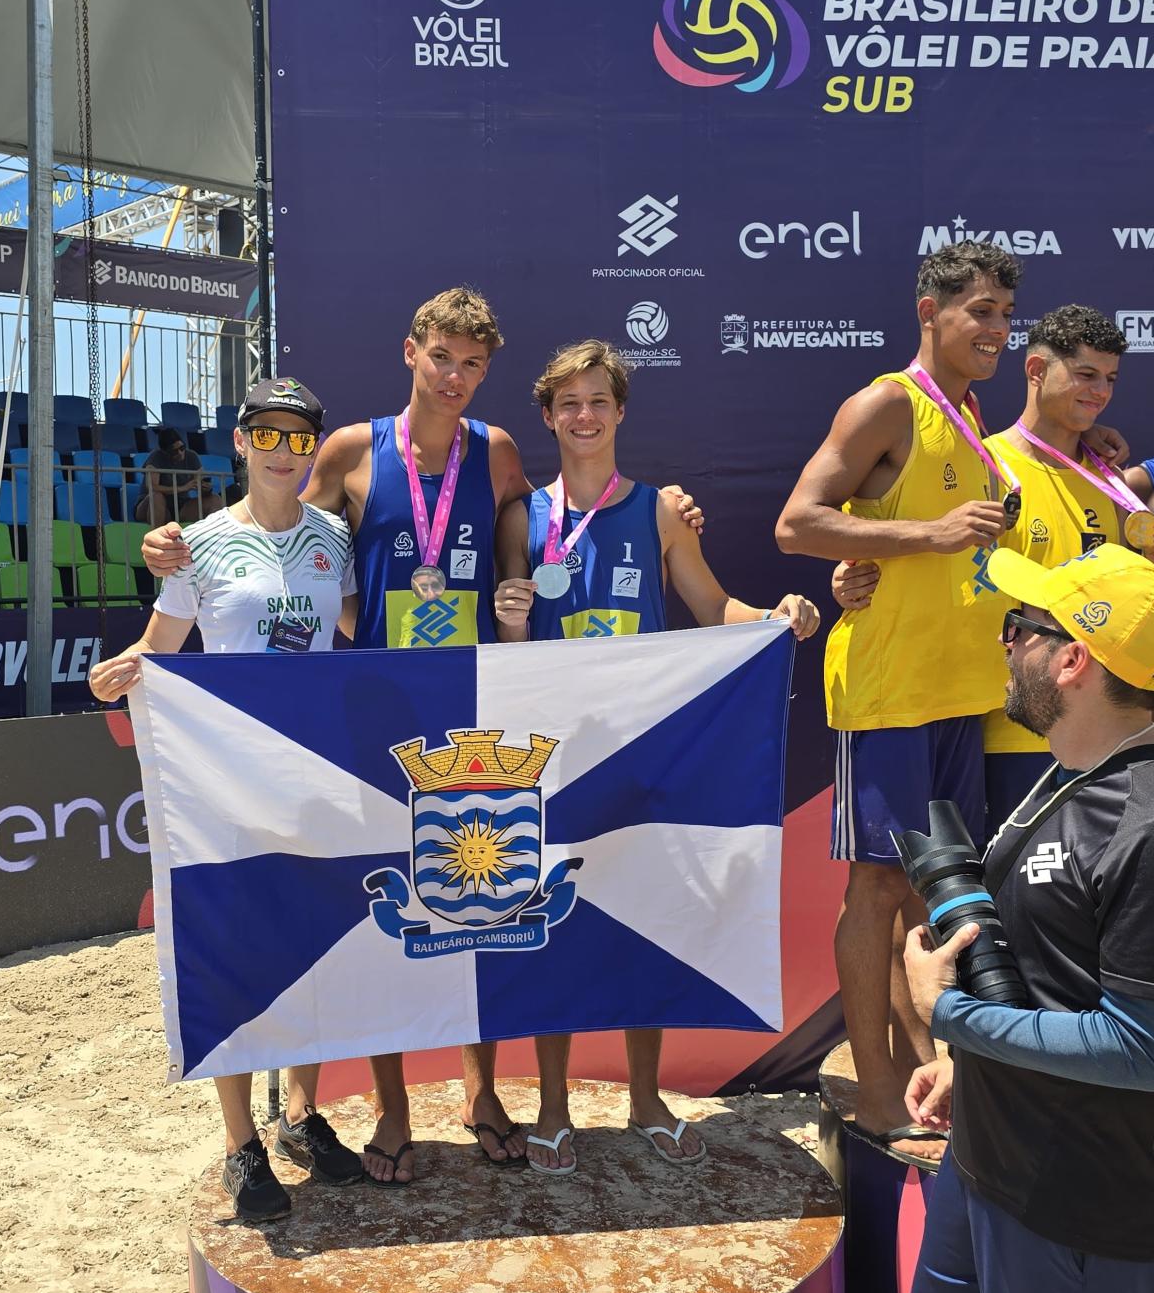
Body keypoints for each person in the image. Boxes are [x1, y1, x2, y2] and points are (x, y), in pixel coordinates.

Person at [139, 290, 704, 1185]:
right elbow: (284, 541)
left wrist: (673, 509)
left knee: (483, 902)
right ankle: (392, 1109)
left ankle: (482, 1094)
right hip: (379, 714)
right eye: (441, 356)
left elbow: (555, 525)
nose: (454, 376)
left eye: (472, 364)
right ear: (411, 352)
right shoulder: (349, 449)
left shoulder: (499, 451)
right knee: (390, 912)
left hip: (477, 708)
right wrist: (178, 549)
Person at [493, 340, 819, 1174]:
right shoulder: (522, 517)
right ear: (548, 416)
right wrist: (514, 616)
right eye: (570, 403)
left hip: (645, 753)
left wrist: (773, 617)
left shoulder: (660, 512)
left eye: (599, 401)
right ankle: (554, 1104)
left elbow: (712, 606)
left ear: (621, 412)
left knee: (644, 923)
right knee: (553, 928)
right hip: (555, 758)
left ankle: (645, 1098)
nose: (585, 416)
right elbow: (511, 647)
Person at [89, 378, 363, 1223]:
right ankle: (242, 1143)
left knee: (316, 950)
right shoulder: (197, 545)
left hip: (316, 775)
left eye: (298, 437)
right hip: (232, 785)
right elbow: (161, 644)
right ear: (240, 442)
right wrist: (122, 670)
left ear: (313, 449)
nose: (283, 451)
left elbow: (361, 633)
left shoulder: (334, 537)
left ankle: (302, 1115)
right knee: (239, 957)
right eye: (266, 435)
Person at [774, 241, 1023, 1160]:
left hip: (961, 685)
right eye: (980, 312)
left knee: (937, 887)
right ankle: (875, 1087)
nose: (996, 330)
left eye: (1005, 315)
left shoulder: (971, 411)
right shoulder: (886, 403)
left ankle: (932, 1070)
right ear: (930, 311)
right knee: (877, 883)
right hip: (888, 688)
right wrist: (931, 533)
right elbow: (796, 523)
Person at [903, 543, 1154, 1293]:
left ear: (1073, 660)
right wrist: (969, 1062)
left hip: (1078, 1206)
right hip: (988, 1150)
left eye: (1019, 627)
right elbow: (1052, 970)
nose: (1004, 642)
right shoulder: (1069, 768)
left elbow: (1141, 1047)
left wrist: (950, 1016)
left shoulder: (1144, 824)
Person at [833, 305, 1143, 829]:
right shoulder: (986, 463)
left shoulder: (1109, 477)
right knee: (1003, 874)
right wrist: (850, 575)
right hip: (1012, 725)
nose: (1100, 391)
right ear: (1037, 370)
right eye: (1086, 375)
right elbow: (910, 549)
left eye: (1109, 379)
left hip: (1104, 727)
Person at [134, 427, 217, 525]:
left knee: (214, 499)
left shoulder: (192, 456)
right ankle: (157, 534)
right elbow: (152, 487)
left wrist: (206, 488)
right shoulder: (156, 457)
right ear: (165, 451)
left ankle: (214, 533)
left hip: (181, 505)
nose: (180, 453)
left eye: (182, 448)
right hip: (151, 505)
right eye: (174, 451)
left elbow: (199, 482)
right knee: (157, 496)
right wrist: (182, 488)